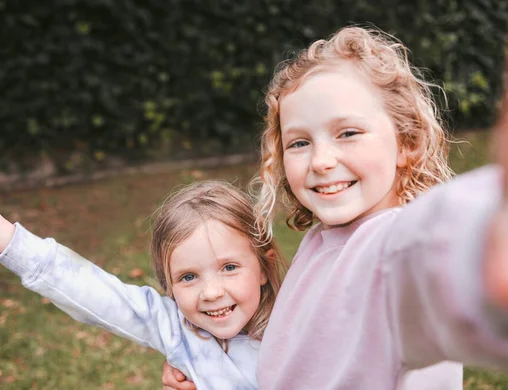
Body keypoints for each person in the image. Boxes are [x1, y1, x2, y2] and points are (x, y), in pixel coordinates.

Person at [162, 25, 508, 389]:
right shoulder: (321, 241)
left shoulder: (388, 249)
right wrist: (213, 369)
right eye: (299, 143)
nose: (321, 161)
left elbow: (446, 250)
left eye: (348, 133)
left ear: (406, 142)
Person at [0, 175, 286, 390]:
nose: (211, 292)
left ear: (265, 267)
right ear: (168, 286)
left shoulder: (297, 327)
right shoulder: (175, 327)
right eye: (188, 276)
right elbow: (92, 289)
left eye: (229, 268)